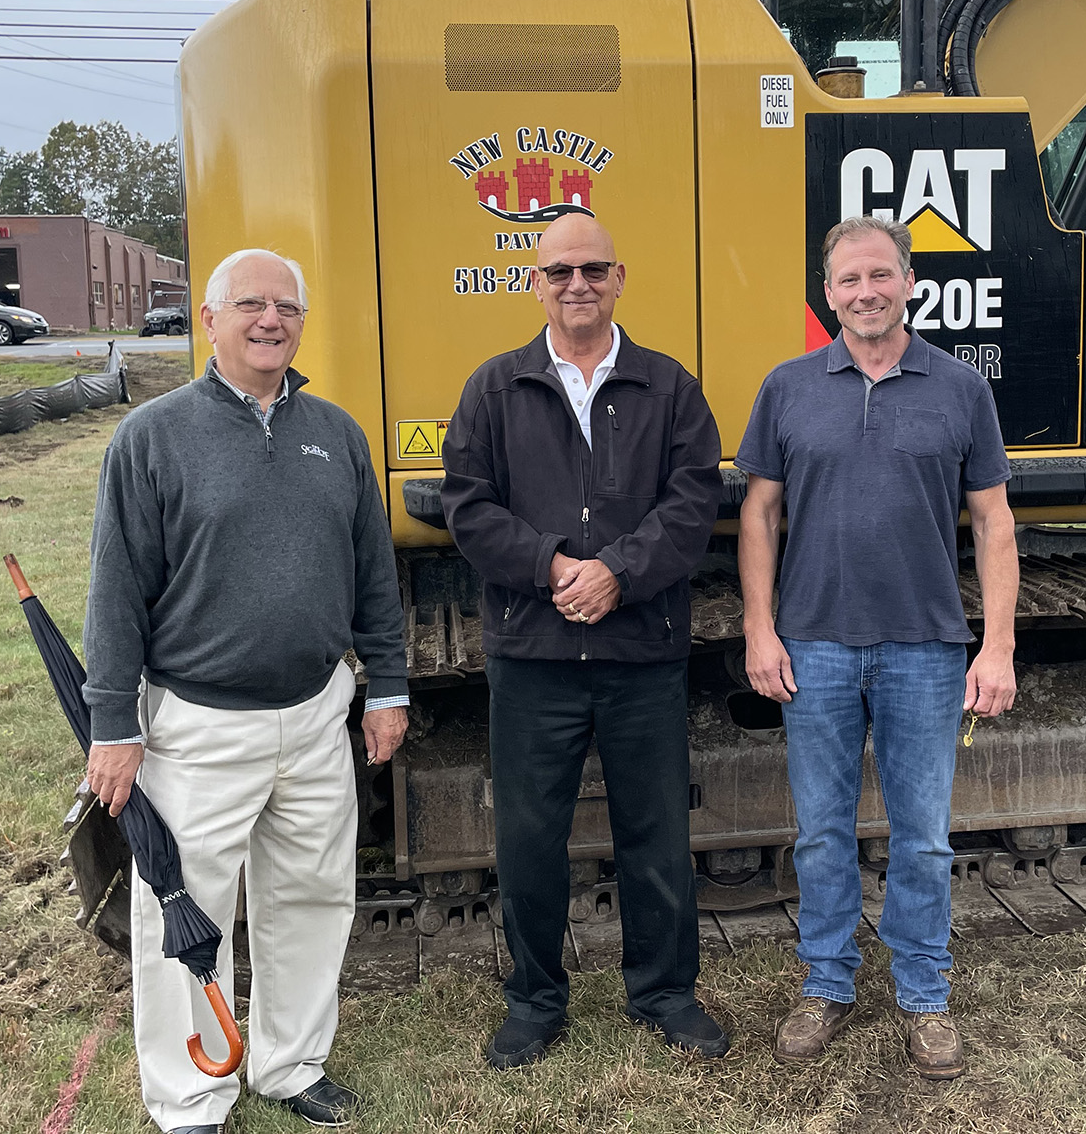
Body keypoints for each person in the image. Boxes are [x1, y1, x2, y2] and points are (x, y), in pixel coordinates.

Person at [82, 249, 410, 1133]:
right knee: (184, 914)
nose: (272, 320)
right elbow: (115, 588)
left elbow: (373, 574)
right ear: (210, 321)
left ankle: (290, 1062)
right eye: (251, 305)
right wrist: (112, 721)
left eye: (287, 307)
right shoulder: (152, 436)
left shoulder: (336, 432)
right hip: (196, 721)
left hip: (314, 711)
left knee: (310, 895)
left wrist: (388, 686)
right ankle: (191, 1096)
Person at [440, 212, 727, 1066]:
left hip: (641, 652)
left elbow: (692, 501)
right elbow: (467, 503)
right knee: (529, 838)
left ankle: (665, 991)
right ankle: (534, 999)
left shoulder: (669, 387)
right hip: (533, 656)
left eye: (593, 269)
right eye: (559, 270)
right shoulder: (494, 388)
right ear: (534, 282)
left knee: (655, 833)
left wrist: (619, 573)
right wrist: (552, 565)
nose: (578, 284)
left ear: (619, 277)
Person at [737, 215, 1019, 1081]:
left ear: (907, 282)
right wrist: (758, 625)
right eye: (847, 280)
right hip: (813, 645)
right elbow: (757, 513)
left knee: (924, 837)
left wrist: (996, 643)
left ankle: (923, 995)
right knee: (821, 833)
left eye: (879, 276)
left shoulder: (959, 388)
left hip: (926, 648)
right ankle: (825, 983)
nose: (864, 292)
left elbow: (993, 521)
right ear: (827, 294)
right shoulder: (787, 387)